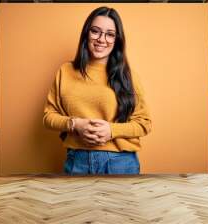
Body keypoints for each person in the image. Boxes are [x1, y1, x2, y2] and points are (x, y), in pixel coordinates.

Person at [43, 6, 151, 175]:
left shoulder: (128, 76)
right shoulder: (65, 71)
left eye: (110, 34)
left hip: (121, 163)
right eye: (95, 31)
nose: (102, 39)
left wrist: (112, 130)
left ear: (117, 40)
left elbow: (144, 124)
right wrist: (75, 124)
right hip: (76, 161)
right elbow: (48, 117)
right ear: (87, 34)